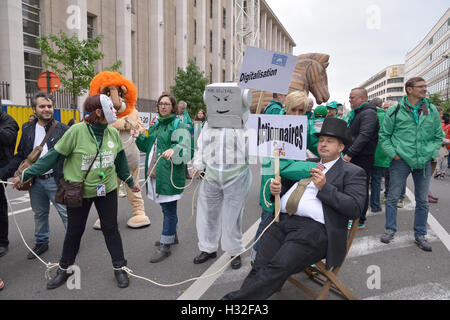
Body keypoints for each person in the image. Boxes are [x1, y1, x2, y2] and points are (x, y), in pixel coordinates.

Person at [222, 118, 367, 300]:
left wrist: (325, 187)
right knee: (260, 266)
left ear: (341, 147)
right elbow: (283, 189)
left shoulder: (352, 172)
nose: (323, 144)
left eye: (330, 141)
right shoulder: (306, 163)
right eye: (321, 140)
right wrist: (275, 191)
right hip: (282, 220)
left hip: (315, 230)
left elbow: (355, 209)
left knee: (278, 266)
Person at [12, 94, 140, 289]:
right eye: (110, 109)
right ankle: (64, 269)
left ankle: (120, 268)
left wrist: (130, 181)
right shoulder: (76, 132)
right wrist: (25, 174)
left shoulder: (112, 132)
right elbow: (52, 157)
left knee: (111, 229)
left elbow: (120, 161)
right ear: (98, 112)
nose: (114, 112)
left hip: (106, 189)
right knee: (74, 231)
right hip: (78, 191)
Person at [252, 91, 319, 264]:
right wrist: (314, 167)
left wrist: (334, 157)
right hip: (274, 180)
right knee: (268, 220)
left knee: (292, 220)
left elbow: (317, 144)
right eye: (293, 110)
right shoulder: (273, 125)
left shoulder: (306, 124)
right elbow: (279, 165)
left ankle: (283, 257)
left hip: (296, 182)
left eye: (301, 111)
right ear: (286, 107)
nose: (297, 115)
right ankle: (256, 256)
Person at [1, 92, 69, 260]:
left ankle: (72, 242)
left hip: (56, 180)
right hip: (35, 182)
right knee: (39, 213)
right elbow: (21, 155)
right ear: (34, 109)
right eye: (42, 106)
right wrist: (4, 173)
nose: (47, 109)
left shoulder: (63, 130)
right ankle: (41, 242)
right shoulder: (27, 128)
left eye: (49, 106)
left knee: (65, 213)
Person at [191, 83, 252, 270]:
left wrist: (244, 131)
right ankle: (208, 248)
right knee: (208, 214)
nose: (223, 103)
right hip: (211, 176)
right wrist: (197, 164)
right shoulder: (210, 124)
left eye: (228, 99)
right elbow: (202, 145)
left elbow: (251, 150)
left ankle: (234, 251)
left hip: (236, 176)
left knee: (232, 216)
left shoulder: (246, 123)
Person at [379, 77, 444, 251]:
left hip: (423, 161)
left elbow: (438, 136)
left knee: (423, 200)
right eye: (421, 86)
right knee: (393, 197)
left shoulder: (431, 110)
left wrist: (431, 153)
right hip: (401, 161)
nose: (425, 89)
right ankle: (390, 230)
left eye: (425, 86)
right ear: (409, 89)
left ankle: (420, 234)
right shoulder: (395, 110)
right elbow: (384, 136)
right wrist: (394, 154)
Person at [132, 94, 190, 263]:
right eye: (160, 104)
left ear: (172, 107)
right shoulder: (157, 124)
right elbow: (148, 146)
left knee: (169, 209)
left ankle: (166, 244)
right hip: (157, 173)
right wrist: (139, 137)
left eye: (166, 104)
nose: (163, 106)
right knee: (166, 208)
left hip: (169, 174)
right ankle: (172, 235)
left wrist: (175, 149)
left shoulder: (178, 124)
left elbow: (186, 146)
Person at [344, 88, 379, 231]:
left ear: (362, 99)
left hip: (361, 158)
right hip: (356, 157)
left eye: (352, 97)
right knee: (352, 188)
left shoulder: (369, 113)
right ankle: (353, 217)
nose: (350, 100)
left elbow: (364, 136)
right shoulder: (360, 113)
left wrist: (349, 154)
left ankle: (359, 220)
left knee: (360, 189)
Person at [0, 108, 19, 258]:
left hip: (1, 169)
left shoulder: (8, 120)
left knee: (0, 206)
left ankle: (2, 242)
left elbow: (8, 138)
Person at [434, 107, 450, 180]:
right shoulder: (434, 124)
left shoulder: (439, 124)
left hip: (443, 146)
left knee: (442, 160)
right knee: (440, 160)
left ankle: (440, 172)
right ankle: (439, 172)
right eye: (440, 114)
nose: (442, 115)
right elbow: (439, 138)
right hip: (438, 147)